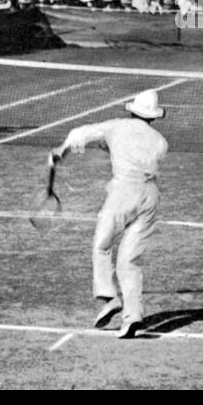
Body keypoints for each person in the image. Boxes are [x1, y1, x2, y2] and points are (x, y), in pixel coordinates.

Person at [48, 89, 169, 339]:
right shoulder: (160, 141)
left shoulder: (117, 126)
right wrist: (110, 147)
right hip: (150, 198)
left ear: (133, 110)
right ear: (153, 117)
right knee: (129, 261)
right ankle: (132, 316)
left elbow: (79, 134)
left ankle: (110, 297)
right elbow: (133, 154)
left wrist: (61, 151)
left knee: (102, 246)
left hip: (123, 194)